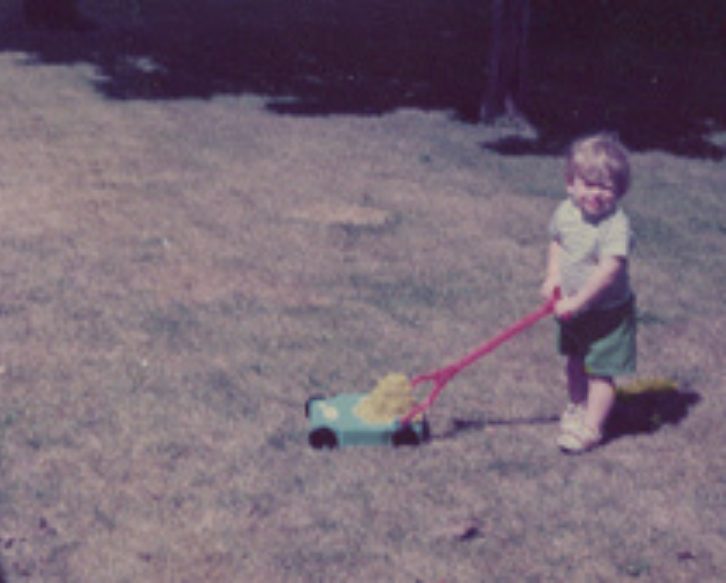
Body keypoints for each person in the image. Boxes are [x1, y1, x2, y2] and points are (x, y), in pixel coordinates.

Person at [541, 132, 637, 453]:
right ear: (571, 183)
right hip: (571, 306)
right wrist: (553, 277)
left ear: (619, 191)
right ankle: (577, 407)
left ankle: (592, 429)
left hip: (606, 314)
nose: (595, 193)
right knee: (574, 361)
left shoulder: (616, 226)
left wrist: (577, 302)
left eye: (605, 186)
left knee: (600, 371)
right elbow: (557, 241)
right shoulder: (565, 211)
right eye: (588, 183)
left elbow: (609, 272)